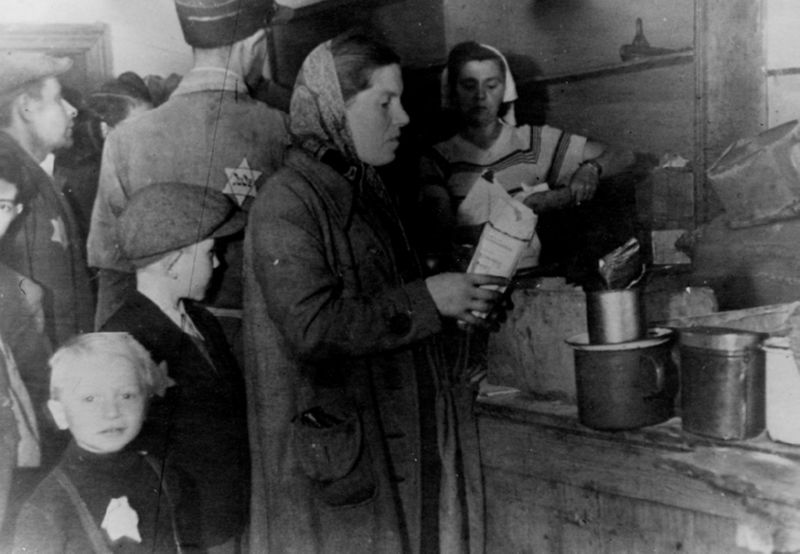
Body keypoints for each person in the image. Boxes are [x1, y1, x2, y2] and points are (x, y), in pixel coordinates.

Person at [244, 33, 508, 554]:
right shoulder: (287, 201)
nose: (403, 117)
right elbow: (313, 329)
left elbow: (389, 306)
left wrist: (455, 311)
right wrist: (431, 300)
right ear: (335, 110)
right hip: (342, 464)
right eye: (385, 102)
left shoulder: (363, 187)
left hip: (385, 443)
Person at [87, 0, 289, 333]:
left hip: (160, 348)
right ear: (254, 45)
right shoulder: (280, 130)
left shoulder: (124, 140)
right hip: (258, 345)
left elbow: (113, 273)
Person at [102, 182, 249, 553]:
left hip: (227, 513)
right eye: (210, 252)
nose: (219, 263)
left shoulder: (201, 319)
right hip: (186, 528)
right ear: (173, 263)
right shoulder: (121, 339)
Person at [418, 41, 636, 271]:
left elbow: (623, 154)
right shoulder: (437, 159)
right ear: (453, 91)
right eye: (468, 85)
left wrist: (591, 168)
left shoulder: (532, 142)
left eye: (491, 85)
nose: (480, 96)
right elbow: (439, 230)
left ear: (505, 90)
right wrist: (511, 220)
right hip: (466, 284)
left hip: (529, 281)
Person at [11, 332, 196, 553]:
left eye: (126, 395)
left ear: (146, 402)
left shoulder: (164, 476)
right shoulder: (46, 507)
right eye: (90, 398)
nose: (112, 412)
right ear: (59, 413)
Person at [0, 51, 94, 347]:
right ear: (26, 107)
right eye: (57, 99)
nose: (72, 110)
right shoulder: (7, 173)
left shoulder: (34, 171)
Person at [58, 72, 154, 238]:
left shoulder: (150, 165)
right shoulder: (83, 181)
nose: (152, 134)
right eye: (140, 127)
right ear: (105, 129)